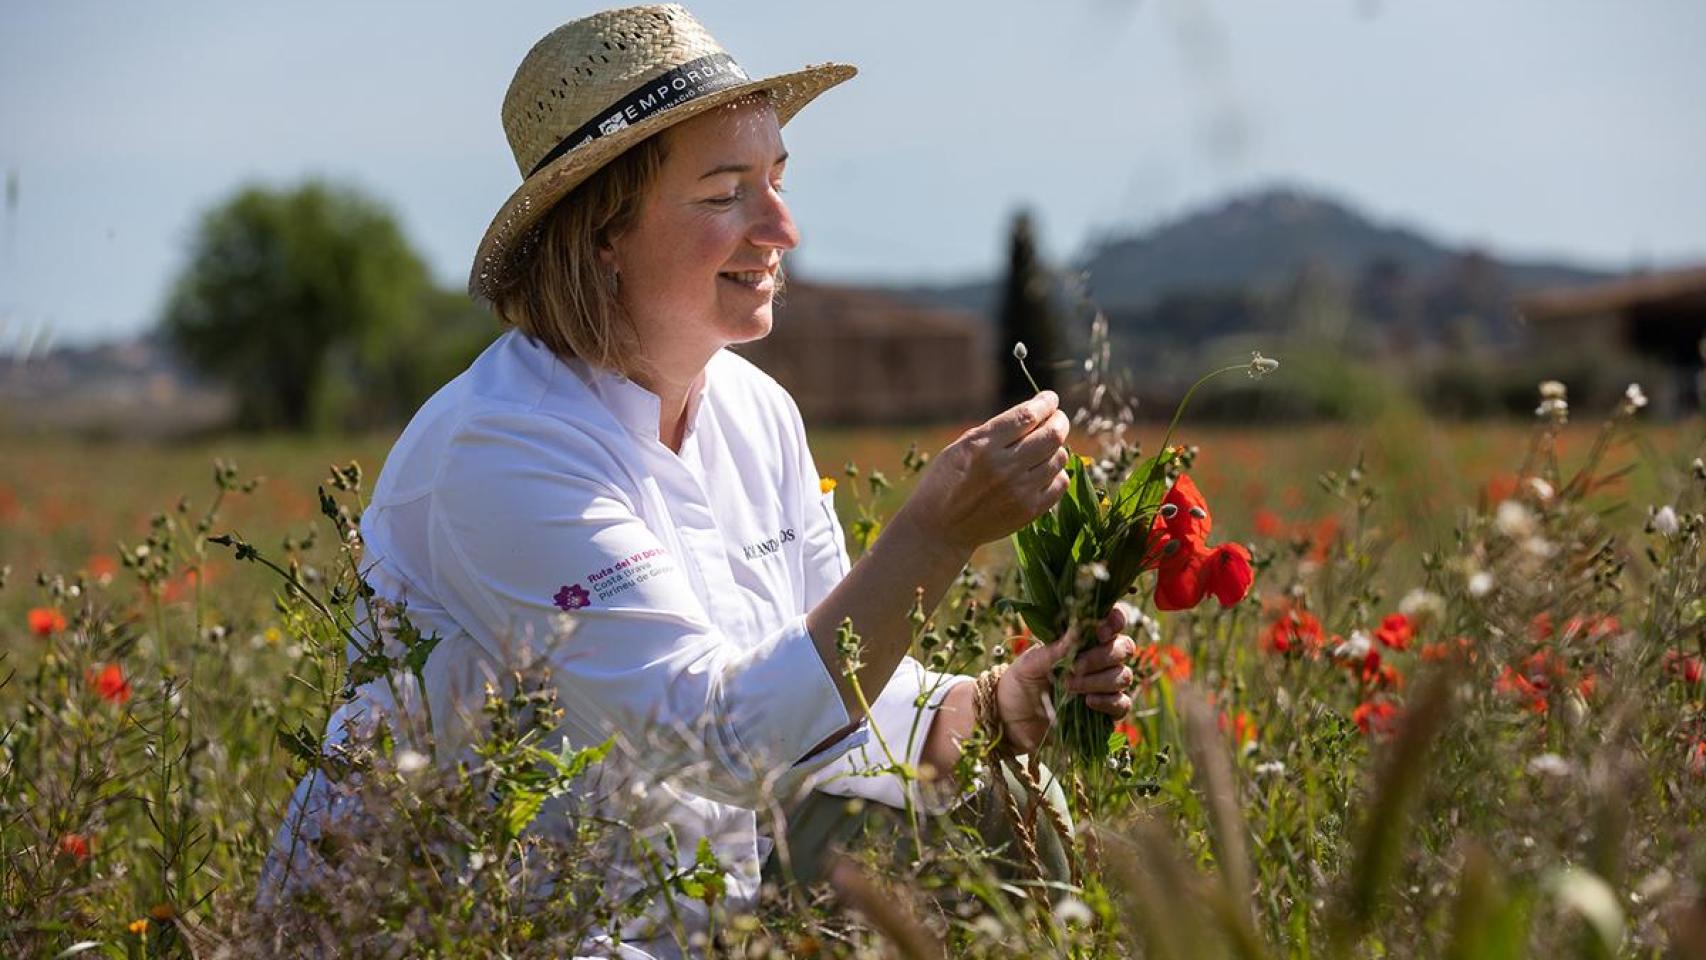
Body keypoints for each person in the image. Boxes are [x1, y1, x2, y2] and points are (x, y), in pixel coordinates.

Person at [261, 5, 1136, 956]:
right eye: (727, 194)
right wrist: (933, 536)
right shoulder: (503, 449)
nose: (782, 228)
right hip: (478, 926)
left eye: (777, 181)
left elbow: (814, 688)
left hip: (684, 910)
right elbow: (715, 744)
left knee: (1013, 792)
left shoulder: (757, 414)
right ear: (603, 234)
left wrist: (995, 705)